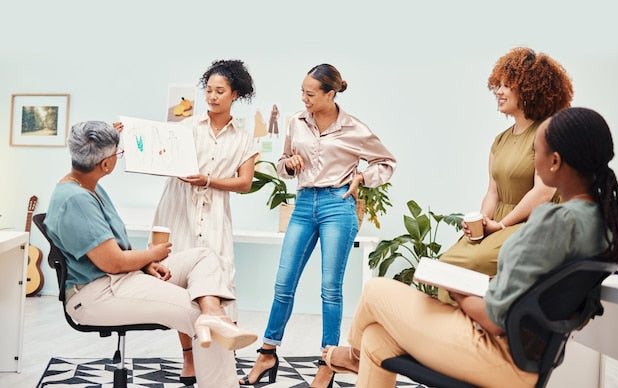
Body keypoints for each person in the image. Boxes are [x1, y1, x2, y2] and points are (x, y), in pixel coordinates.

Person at [320, 107, 618, 387]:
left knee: (376, 291)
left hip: (497, 355)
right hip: (530, 357)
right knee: (376, 339)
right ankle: (360, 355)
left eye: (536, 152)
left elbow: (493, 320)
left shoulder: (555, 222)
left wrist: (458, 291)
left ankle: (352, 357)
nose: (533, 158)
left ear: (555, 161)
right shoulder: (605, 223)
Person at [44, 121, 258, 388]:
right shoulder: (75, 199)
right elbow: (113, 262)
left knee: (203, 257)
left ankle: (213, 312)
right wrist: (151, 255)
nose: (116, 158)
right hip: (97, 295)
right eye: (116, 154)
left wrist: (146, 264)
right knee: (195, 314)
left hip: (120, 279)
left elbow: (117, 250)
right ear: (106, 164)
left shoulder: (88, 187)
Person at [239, 64, 396, 387]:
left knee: (330, 290)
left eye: (310, 93)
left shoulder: (355, 128)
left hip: (338, 206)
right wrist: (291, 165)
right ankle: (267, 353)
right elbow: (283, 164)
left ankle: (329, 361)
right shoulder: (296, 122)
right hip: (304, 203)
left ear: (331, 94)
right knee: (283, 283)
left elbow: (386, 162)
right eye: (302, 92)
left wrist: (363, 177)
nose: (304, 98)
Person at [438, 47, 574, 304]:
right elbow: (493, 191)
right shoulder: (499, 140)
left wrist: (500, 226)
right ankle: (460, 333)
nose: (498, 92)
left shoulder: (548, 132)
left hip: (531, 225)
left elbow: (543, 192)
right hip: (500, 223)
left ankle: (483, 332)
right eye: (497, 85)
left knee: (462, 267)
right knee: (445, 265)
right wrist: (480, 222)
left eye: (506, 85)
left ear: (530, 89)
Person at [152, 59, 258, 384]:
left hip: (214, 215)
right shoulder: (186, 128)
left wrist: (209, 181)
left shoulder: (244, 139)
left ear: (235, 94)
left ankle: (221, 357)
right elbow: (156, 152)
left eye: (220, 91)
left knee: (218, 280)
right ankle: (189, 359)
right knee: (179, 284)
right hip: (177, 208)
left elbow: (245, 183)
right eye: (209, 90)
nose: (212, 96)